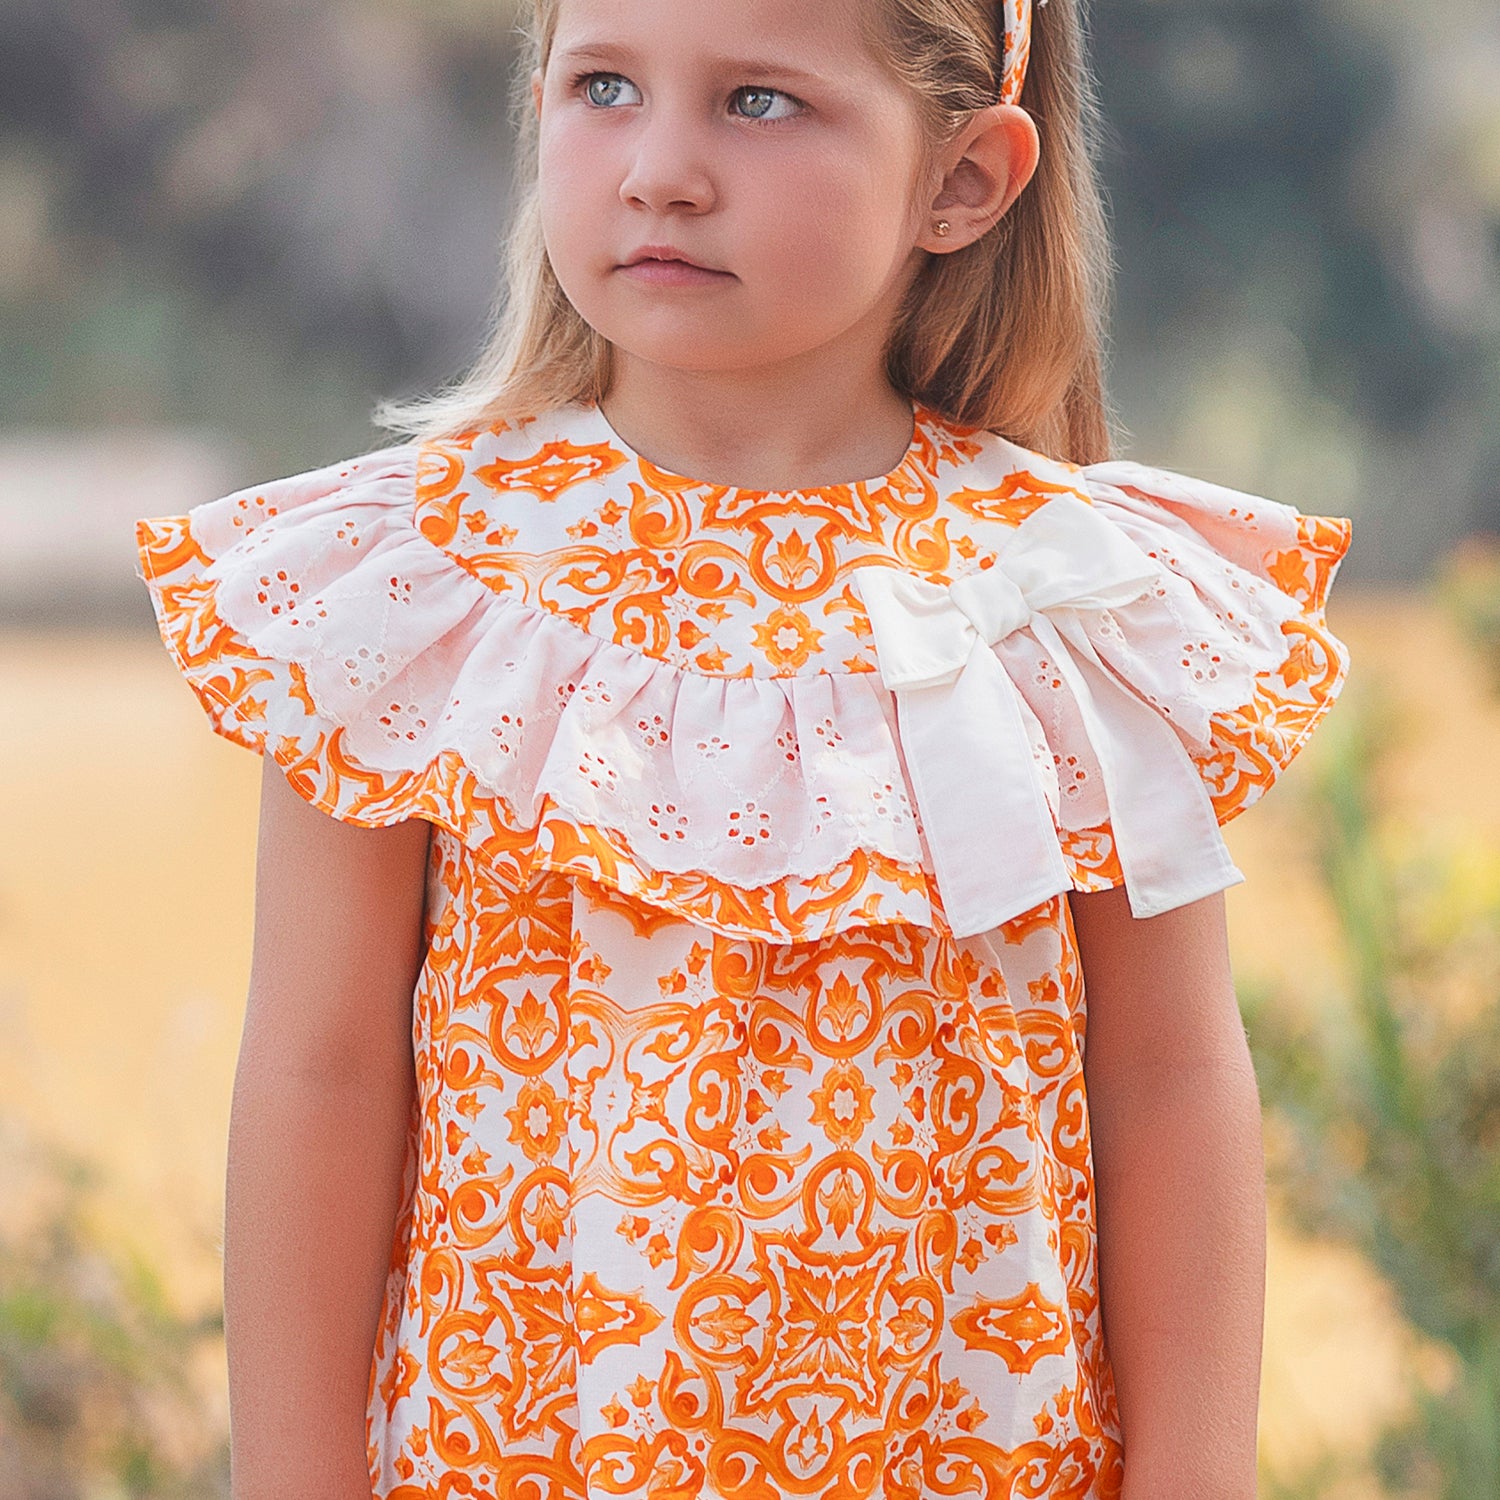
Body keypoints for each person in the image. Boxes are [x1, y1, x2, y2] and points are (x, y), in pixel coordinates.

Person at [134, 0, 1353, 1495]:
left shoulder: (1072, 599)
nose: (658, 169)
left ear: (964, 180)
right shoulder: (423, 586)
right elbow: (320, 1073)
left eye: (759, 103)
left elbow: (1169, 1076)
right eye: (602, 85)